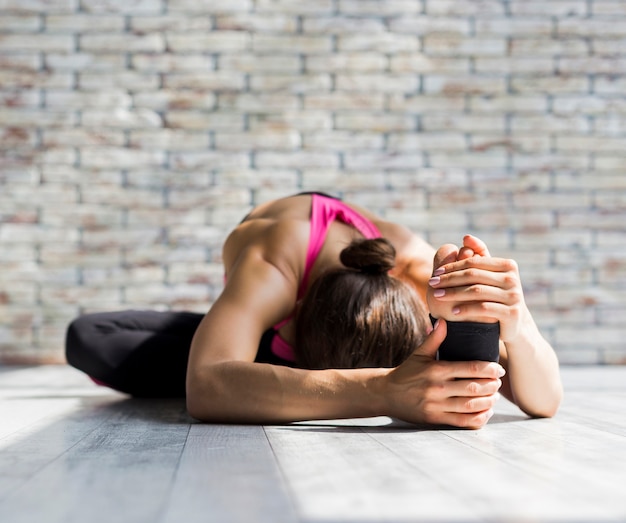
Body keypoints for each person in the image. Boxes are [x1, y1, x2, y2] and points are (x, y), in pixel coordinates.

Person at [66, 192, 562, 428]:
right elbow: (205, 387)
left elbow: (543, 401)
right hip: (277, 315)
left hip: (356, 327)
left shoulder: (420, 275)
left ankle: (271, 384)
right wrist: (385, 390)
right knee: (94, 337)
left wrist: (518, 328)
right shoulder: (274, 264)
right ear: (294, 315)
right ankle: (272, 372)